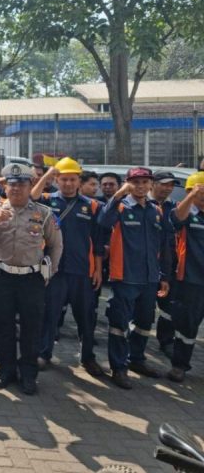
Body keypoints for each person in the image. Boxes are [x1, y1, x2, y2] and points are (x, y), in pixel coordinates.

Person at [0, 163, 63, 395]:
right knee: (3, 326)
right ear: (5, 187)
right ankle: (6, 371)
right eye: (11, 184)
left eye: (21, 184)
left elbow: (56, 245)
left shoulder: (43, 213)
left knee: (31, 328)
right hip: (2, 277)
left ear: (30, 185)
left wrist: (49, 272)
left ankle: (28, 375)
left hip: (31, 279)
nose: (16, 189)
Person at [97, 167, 172, 389]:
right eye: (135, 182)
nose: (140, 186)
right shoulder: (119, 206)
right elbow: (103, 222)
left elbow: (163, 245)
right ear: (127, 183)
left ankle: (136, 359)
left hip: (150, 278)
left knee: (144, 323)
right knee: (119, 324)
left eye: (145, 182)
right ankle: (118, 367)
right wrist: (119, 194)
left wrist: (164, 275)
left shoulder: (155, 210)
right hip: (125, 277)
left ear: (151, 184)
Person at [31, 157, 105, 378]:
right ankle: (44, 353)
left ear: (79, 181)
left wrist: (98, 270)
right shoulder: (47, 200)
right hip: (54, 270)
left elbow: (98, 241)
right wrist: (47, 174)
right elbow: (31, 198)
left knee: (86, 317)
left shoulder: (92, 206)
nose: (68, 184)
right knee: (49, 314)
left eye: (73, 179)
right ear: (57, 180)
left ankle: (88, 357)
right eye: (64, 179)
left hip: (82, 271)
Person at [167, 173, 204, 382]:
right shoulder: (186, 213)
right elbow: (176, 219)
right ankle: (179, 365)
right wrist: (191, 197)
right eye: (201, 192)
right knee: (187, 325)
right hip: (192, 281)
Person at [150, 170, 178, 358]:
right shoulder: (141, 203)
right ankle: (135, 343)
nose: (168, 188)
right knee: (141, 308)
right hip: (144, 263)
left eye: (171, 185)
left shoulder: (175, 208)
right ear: (153, 183)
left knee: (169, 306)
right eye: (164, 184)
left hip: (169, 264)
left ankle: (166, 340)